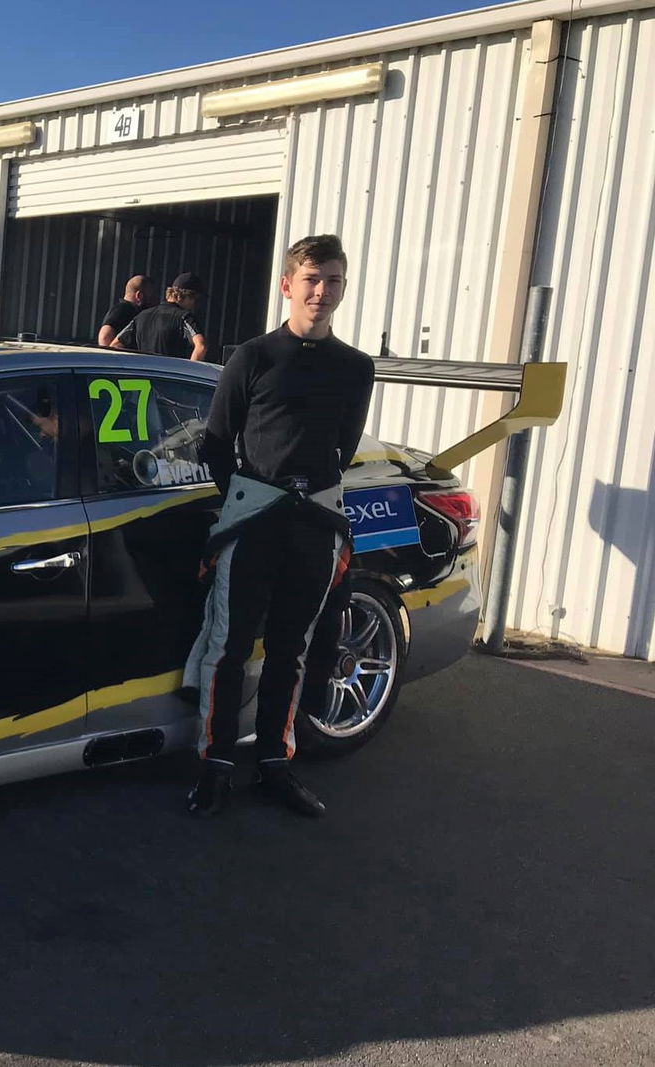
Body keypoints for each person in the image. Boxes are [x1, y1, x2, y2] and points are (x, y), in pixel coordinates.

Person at [181, 235, 374, 819]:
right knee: (229, 647)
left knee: (293, 648)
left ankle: (273, 762)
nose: (321, 292)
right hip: (255, 519)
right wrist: (254, 496)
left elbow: (340, 446)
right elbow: (218, 445)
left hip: (313, 523)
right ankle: (214, 764)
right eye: (312, 280)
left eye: (333, 281)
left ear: (343, 288)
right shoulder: (253, 357)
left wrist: (301, 495)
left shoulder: (356, 368)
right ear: (287, 285)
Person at [118, 273, 208, 361]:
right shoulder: (184, 317)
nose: (195, 305)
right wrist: (189, 372)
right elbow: (201, 346)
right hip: (170, 373)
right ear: (189, 296)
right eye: (196, 299)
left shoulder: (141, 316)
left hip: (144, 373)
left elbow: (115, 345)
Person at [97, 275, 156, 348]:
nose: (153, 302)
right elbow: (104, 337)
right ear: (139, 296)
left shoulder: (124, 310)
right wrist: (112, 357)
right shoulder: (122, 310)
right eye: (150, 298)